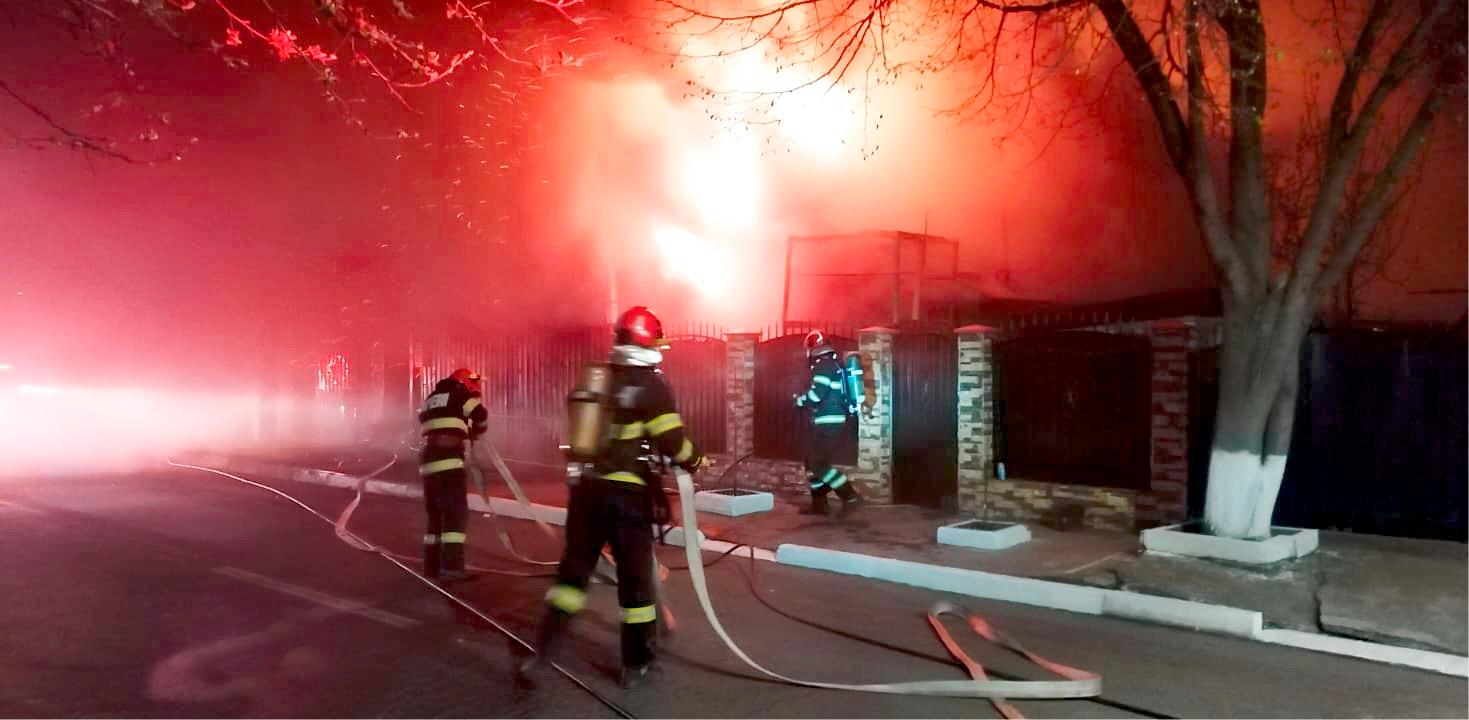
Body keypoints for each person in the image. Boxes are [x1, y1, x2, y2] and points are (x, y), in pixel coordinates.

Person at [521, 306, 706, 689]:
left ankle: (543, 652)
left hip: (586, 492)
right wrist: (697, 460)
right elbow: (673, 443)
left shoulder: (600, 378)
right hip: (626, 497)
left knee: (572, 576)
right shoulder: (651, 385)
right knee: (635, 583)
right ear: (649, 343)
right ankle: (637, 665)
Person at [417, 367, 488, 582]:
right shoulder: (460, 393)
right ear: (463, 381)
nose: (474, 388)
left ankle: (431, 566)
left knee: (435, 517)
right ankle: (452, 568)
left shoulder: (432, 398)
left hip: (428, 460)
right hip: (448, 459)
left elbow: (425, 419)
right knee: (455, 515)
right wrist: (476, 431)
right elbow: (480, 415)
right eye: (472, 384)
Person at [794, 331, 863, 518]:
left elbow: (818, 395)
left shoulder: (823, 366)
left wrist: (800, 400)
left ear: (812, 348)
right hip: (831, 418)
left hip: (828, 419)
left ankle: (849, 496)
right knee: (812, 462)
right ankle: (819, 504)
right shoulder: (832, 364)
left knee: (817, 464)